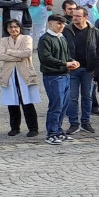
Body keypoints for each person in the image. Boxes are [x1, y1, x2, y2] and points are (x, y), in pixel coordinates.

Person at [0, 19, 40, 137]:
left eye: (15, 27)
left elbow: (27, 53)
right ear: (7, 29)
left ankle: (33, 128)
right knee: (12, 102)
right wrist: (17, 56)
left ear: (20, 28)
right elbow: (0, 56)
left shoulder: (27, 38)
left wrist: (9, 52)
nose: (13, 29)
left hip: (24, 72)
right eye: (10, 27)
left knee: (27, 101)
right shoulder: (4, 40)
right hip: (9, 74)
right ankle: (15, 127)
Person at [62, 6, 99, 135]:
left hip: (89, 70)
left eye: (78, 16)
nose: (75, 18)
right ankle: (74, 123)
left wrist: (97, 68)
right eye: (73, 15)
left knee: (87, 97)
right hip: (72, 70)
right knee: (72, 97)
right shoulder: (66, 30)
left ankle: (86, 122)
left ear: (85, 17)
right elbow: (63, 49)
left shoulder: (95, 31)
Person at [38, 14, 75, 144]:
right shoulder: (45, 39)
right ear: (50, 24)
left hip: (65, 75)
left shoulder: (62, 38)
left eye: (63, 24)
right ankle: (51, 133)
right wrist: (65, 64)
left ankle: (58, 130)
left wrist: (72, 61)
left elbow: (66, 55)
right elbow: (46, 58)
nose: (62, 26)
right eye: (59, 23)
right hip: (53, 77)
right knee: (56, 105)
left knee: (64, 105)